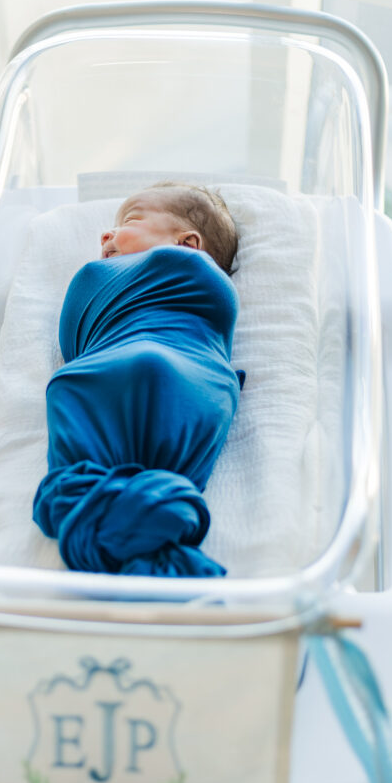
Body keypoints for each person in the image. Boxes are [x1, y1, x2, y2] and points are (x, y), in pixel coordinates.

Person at [33, 183, 241, 577]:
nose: (105, 236)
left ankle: (111, 517)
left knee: (74, 484)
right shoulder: (120, 277)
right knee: (82, 416)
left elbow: (78, 334)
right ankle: (145, 529)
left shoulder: (187, 272)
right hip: (182, 384)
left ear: (187, 246)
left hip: (109, 378)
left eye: (128, 221)